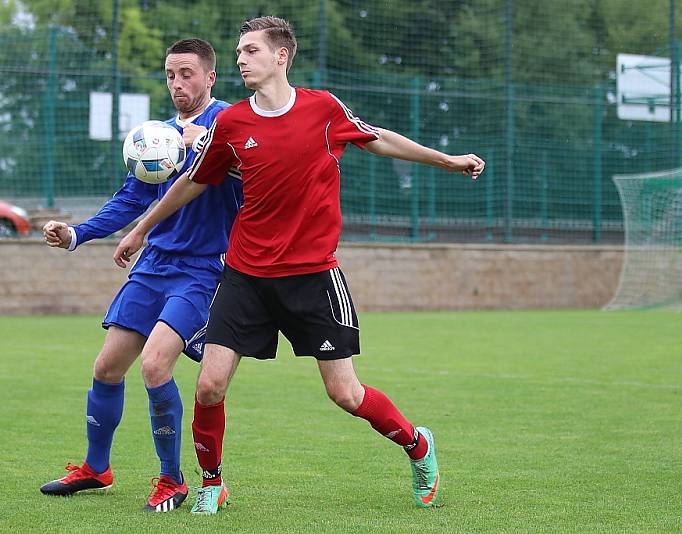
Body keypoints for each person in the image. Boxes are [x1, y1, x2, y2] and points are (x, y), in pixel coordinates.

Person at [114, 17, 485, 515]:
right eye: (239, 51)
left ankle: (417, 444)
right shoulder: (231, 124)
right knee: (208, 384)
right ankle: (212, 482)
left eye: (250, 51)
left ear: (281, 57)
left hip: (312, 275)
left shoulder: (323, 109)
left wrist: (448, 160)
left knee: (345, 393)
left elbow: (379, 138)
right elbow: (191, 182)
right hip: (246, 275)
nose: (241, 59)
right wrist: (140, 229)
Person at [39, 38, 242, 513]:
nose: (177, 83)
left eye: (187, 73)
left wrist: (205, 143)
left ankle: (172, 480)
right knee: (107, 367)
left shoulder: (231, 122)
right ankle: (96, 468)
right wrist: (77, 233)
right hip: (154, 265)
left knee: (155, 366)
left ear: (210, 77)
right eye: (170, 74)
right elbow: (132, 199)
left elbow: (255, 169)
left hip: (203, 269)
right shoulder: (158, 137)